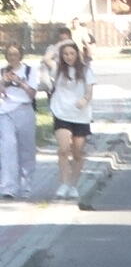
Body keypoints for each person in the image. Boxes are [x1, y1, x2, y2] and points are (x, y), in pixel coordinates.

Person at [41, 41, 93, 200]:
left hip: (80, 115)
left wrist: (84, 100)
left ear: (77, 55)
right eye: (65, 54)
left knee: (77, 152)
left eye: (71, 53)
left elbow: (89, 92)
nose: (69, 57)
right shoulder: (58, 69)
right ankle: (64, 183)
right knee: (63, 149)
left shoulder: (85, 70)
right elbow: (46, 58)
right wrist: (61, 44)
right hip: (61, 112)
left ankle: (73, 184)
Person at [0, 45, 37, 199]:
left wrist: (20, 82)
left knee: (26, 149)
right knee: (8, 148)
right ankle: (8, 187)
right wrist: (3, 82)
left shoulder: (29, 71)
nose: (12, 57)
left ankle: (26, 184)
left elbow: (32, 94)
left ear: (20, 55)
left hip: (24, 110)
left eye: (15, 54)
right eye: (9, 54)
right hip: (5, 112)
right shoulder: (2, 71)